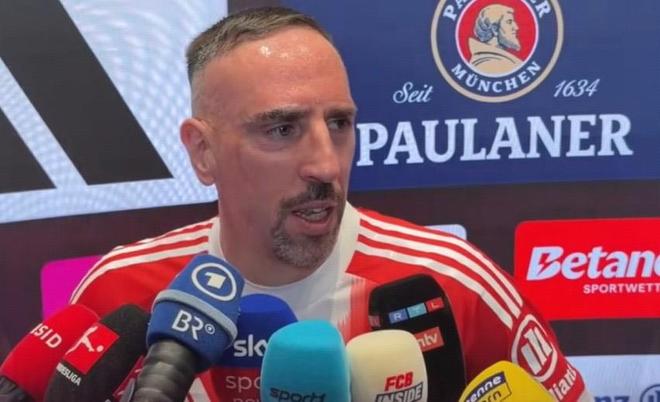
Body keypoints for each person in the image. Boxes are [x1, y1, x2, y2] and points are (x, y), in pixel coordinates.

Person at [70, 6, 591, 401]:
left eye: (339, 123)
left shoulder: (455, 283)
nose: (326, 165)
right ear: (203, 152)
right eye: (281, 129)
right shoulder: (118, 294)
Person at [469, 4, 524, 76]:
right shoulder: (487, 64)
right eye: (509, 22)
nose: (516, 27)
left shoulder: (500, 59)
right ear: (494, 29)